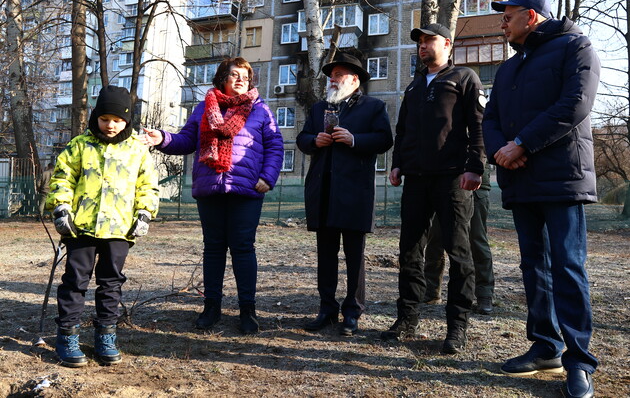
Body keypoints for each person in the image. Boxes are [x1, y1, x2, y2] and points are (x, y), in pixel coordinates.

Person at [483, 0, 599, 398]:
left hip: (561, 177)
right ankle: (546, 346)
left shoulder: (576, 47)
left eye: (507, 16)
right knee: (535, 266)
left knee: (568, 267)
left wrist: (522, 144)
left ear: (531, 16)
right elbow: (491, 117)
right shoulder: (509, 68)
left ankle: (580, 361)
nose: (502, 23)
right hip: (521, 179)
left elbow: (575, 105)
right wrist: (501, 152)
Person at [143, 57, 283, 335]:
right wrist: (162, 138)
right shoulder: (204, 107)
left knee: (243, 248)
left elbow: (275, 145)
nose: (240, 79)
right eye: (234, 74)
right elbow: (186, 141)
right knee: (214, 248)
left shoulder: (260, 109)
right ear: (223, 79)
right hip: (210, 188)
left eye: (245, 75)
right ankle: (212, 307)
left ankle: (247, 310)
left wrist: (268, 177)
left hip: (246, 190)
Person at [382, 23, 486, 355]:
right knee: (410, 250)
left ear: (448, 44)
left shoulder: (464, 77)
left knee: (459, 252)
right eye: (420, 42)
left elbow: (479, 124)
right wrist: (397, 163)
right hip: (415, 179)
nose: (423, 46)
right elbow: (403, 130)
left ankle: (457, 327)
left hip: (453, 179)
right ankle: (406, 319)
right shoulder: (414, 87)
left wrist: (475, 166)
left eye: (429, 40)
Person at [46, 85, 159, 367]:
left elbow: (148, 186)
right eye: (105, 118)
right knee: (75, 281)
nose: (111, 125)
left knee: (110, 283)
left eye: (118, 120)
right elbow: (62, 179)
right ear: (95, 116)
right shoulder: (79, 146)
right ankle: (67, 336)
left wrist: (144, 213)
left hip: (120, 230)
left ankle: (106, 335)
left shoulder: (138, 151)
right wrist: (61, 208)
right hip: (80, 228)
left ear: (128, 121)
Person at [297, 52, 393, 336]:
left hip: (355, 191)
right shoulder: (318, 109)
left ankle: (352, 312)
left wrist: (354, 139)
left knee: (355, 255)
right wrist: (315, 140)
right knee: (325, 254)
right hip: (323, 190)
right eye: (331, 75)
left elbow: (384, 139)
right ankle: (327, 309)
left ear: (354, 79)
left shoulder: (373, 107)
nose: (332, 79)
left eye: (338, 74)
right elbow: (302, 138)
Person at [423, 168, 494, 314]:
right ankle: (431, 291)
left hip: (475, 184)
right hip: (445, 182)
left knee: (477, 240)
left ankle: (484, 294)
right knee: (435, 238)